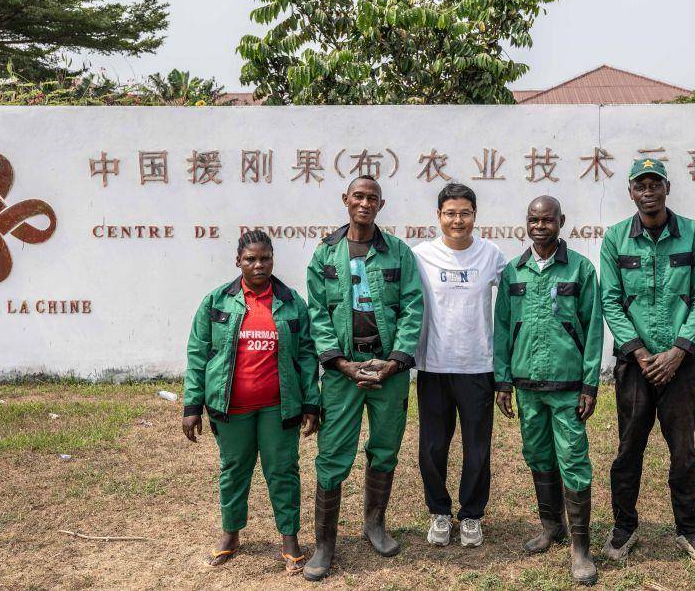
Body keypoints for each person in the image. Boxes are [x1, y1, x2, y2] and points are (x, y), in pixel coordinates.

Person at [302, 175, 424, 582]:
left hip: (386, 370)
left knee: (385, 447)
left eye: (372, 198)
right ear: (345, 199)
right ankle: (324, 544)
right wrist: (339, 363)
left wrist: (395, 362)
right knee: (334, 452)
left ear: (381, 204)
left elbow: (412, 308)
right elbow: (317, 313)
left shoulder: (398, 254)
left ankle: (374, 524)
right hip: (343, 373)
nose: (365, 203)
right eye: (358, 196)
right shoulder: (324, 256)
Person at [599, 158, 695, 567]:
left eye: (655, 184)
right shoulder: (616, 238)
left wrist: (678, 351)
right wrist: (641, 353)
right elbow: (611, 300)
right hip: (635, 365)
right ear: (630, 192)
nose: (647, 191)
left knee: (682, 450)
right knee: (629, 448)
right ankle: (624, 527)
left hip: (679, 364)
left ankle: (689, 529)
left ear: (667, 188)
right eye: (640, 185)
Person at [182, 230, 320, 573]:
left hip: (278, 407)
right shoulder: (216, 302)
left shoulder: (291, 302)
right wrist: (191, 406)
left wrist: (311, 404)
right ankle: (231, 535)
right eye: (251, 259)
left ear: (273, 259)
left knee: (283, 472)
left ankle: (289, 539)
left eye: (265, 259)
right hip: (231, 409)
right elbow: (198, 355)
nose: (259, 265)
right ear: (238, 261)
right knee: (234, 471)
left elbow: (306, 356)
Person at [494, 196, 604, 585]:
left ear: (561, 221)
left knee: (573, 457)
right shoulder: (513, 272)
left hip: (568, 386)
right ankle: (550, 526)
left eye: (547, 219)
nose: (540, 225)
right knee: (537, 454)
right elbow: (503, 328)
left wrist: (590, 382)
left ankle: (580, 548)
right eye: (533, 219)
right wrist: (503, 379)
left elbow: (592, 330)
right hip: (526, 385)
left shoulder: (581, 269)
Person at [413, 182, 506, 548]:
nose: (457, 220)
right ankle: (439, 511)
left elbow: (516, 293)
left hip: (478, 366)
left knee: (477, 447)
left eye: (464, 213)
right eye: (450, 213)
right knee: (433, 446)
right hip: (434, 365)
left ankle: (471, 515)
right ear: (438, 216)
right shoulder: (421, 255)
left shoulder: (491, 254)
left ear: (474, 216)